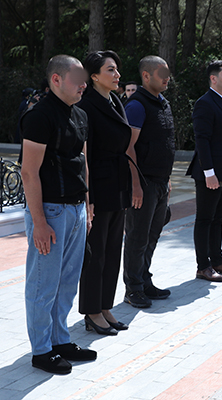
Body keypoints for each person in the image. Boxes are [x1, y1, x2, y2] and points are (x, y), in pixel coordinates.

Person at [20, 54, 96, 374]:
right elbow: (28, 172)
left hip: (76, 208)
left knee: (67, 282)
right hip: (50, 211)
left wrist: (88, 206)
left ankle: (60, 340)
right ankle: (41, 351)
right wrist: (39, 222)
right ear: (56, 80)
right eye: (77, 80)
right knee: (43, 284)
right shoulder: (39, 116)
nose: (83, 85)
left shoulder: (80, 114)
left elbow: (82, 162)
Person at [77, 50, 131, 335]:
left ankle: (106, 306)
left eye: (117, 69)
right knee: (95, 253)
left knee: (112, 252)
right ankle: (92, 310)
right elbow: (86, 157)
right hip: (99, 185)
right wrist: (90, 199)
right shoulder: (86, 106)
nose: (117, 74)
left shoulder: (115, 100)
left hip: (118, 184)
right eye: (110, 70)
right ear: (94, 76)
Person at [123, 56, 175, 308]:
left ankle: (144, 280)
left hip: (160, 182)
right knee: (137, 238)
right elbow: (128, 147)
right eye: (161, 73)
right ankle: (132, 288)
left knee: (152, 235)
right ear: (146, 76)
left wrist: (168, 180)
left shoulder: (163, 103)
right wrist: (135, 185)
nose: (167, 78)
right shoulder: (136, 105)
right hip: (143, 184)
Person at [187, 60, 222, 282]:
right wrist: (209, 172)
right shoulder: (205, 103)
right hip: (209, 173)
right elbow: (202, 139)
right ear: (213, 78)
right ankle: (203, 266)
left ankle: (217, 261)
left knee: (219, 218)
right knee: (205, 219)